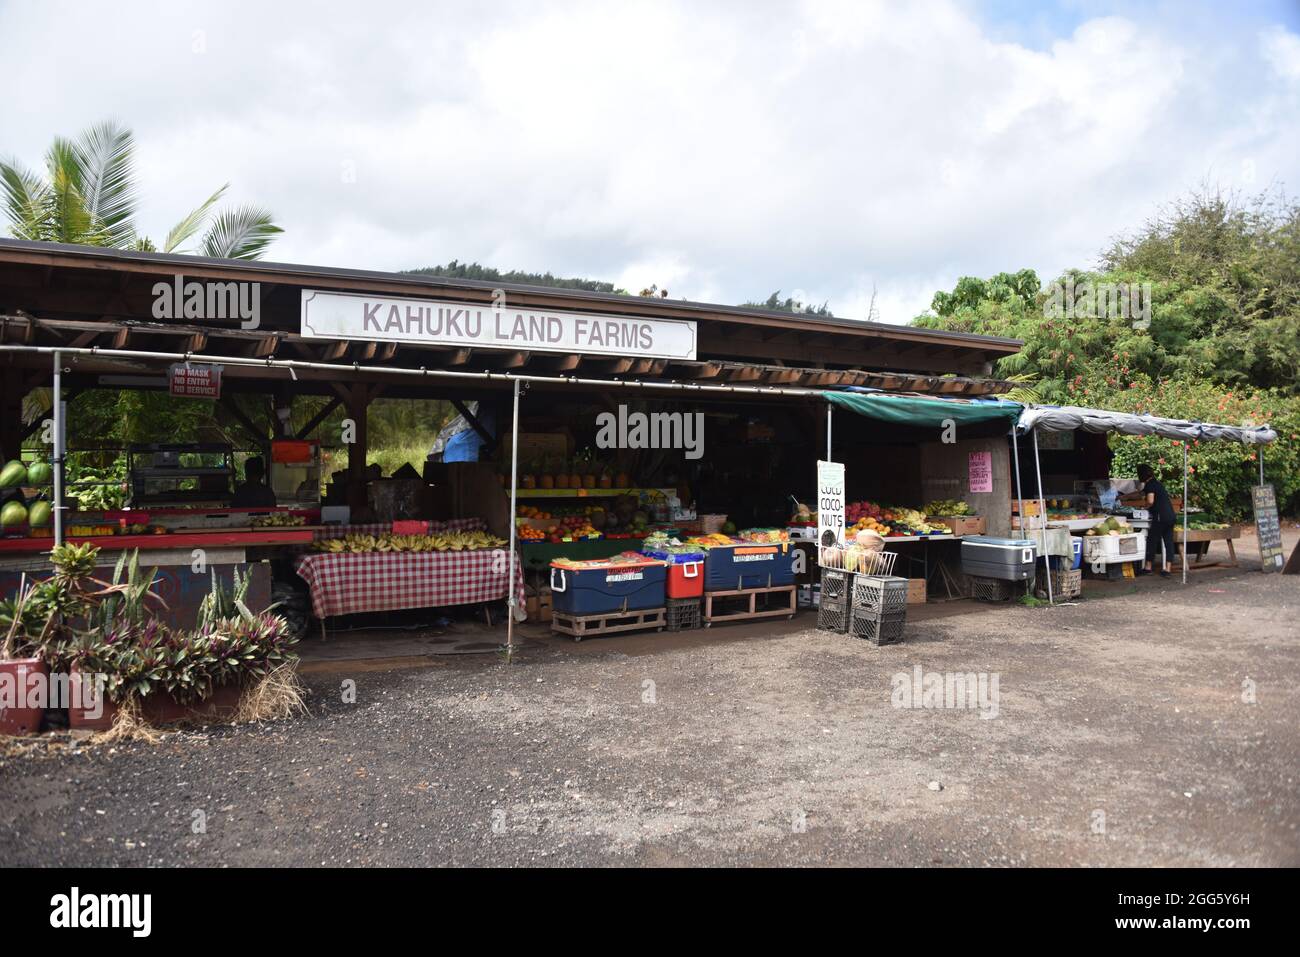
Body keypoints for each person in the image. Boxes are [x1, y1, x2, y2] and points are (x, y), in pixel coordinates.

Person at [1135, 464, 1176, 577]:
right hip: (1170, 516)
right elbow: (1140, 493)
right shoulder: (1157, 484)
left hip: (1160, 517)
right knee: (1168, 542)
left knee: (1152, 540)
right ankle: (1167, 569)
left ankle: (1148, 567)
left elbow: (1150, 500)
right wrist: (1123, 497)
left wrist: (1144, 507)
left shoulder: (1150, 485)